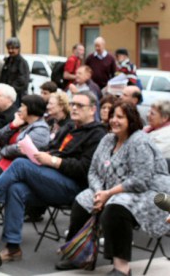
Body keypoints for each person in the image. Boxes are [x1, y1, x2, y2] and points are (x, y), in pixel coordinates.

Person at [0, 91, 106, 265]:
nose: (74, 108)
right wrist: (41, 154)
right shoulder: (70, 127)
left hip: (75, 187)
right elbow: (53, 148)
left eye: (80, 105)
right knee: (16, 188)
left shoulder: (97, 134)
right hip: (53, 179)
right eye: (73, 104)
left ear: (93, 109)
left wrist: (54, 161)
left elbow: (85, 169)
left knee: (20, 164)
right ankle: (12, 248)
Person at [56, 102, 170, 275]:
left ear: (131, 120)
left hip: (149, 193)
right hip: (109, 189)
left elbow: (141, 180)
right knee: (83, 199)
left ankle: (122, 267)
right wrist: (98, 193)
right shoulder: (107, 139)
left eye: (120, 117)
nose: (114, 121)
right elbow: (93, 170)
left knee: (116, 206)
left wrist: (108, 194)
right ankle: (79, 255)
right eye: (112, 117)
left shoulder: (139, 142)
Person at [0, 94, 51, 170]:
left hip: (16, 169)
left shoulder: (41, 130)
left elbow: (21, 149)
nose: (19, 109)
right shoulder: (22, 123)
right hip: (3, 163)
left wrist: (3, 150)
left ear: (32, 108)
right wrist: (13, 125)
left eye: (22, 106)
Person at [0, 37, 30, 103]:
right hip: (6, 95)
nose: (10, 51)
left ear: (18, 49)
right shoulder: (7, 61)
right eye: (9, 48)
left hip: (17, 96)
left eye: (13, 48)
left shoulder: (22, 62)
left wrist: (10, 89)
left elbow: (22, 80)